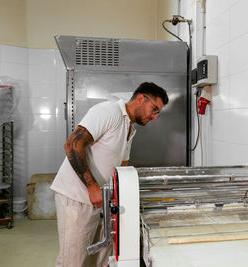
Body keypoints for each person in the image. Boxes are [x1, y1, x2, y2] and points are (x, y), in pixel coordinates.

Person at [50, 82, 169, 267]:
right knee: (74, 260)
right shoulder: (109, 112)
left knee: (101, 259)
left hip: (101, 201)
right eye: (154, 109)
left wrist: (125, 197)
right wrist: (92, 187)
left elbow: (121, 169)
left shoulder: (129, 128)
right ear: (140, 98)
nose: (154, 117)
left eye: (158, 113)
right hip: (77, 198)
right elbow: (73, 145)